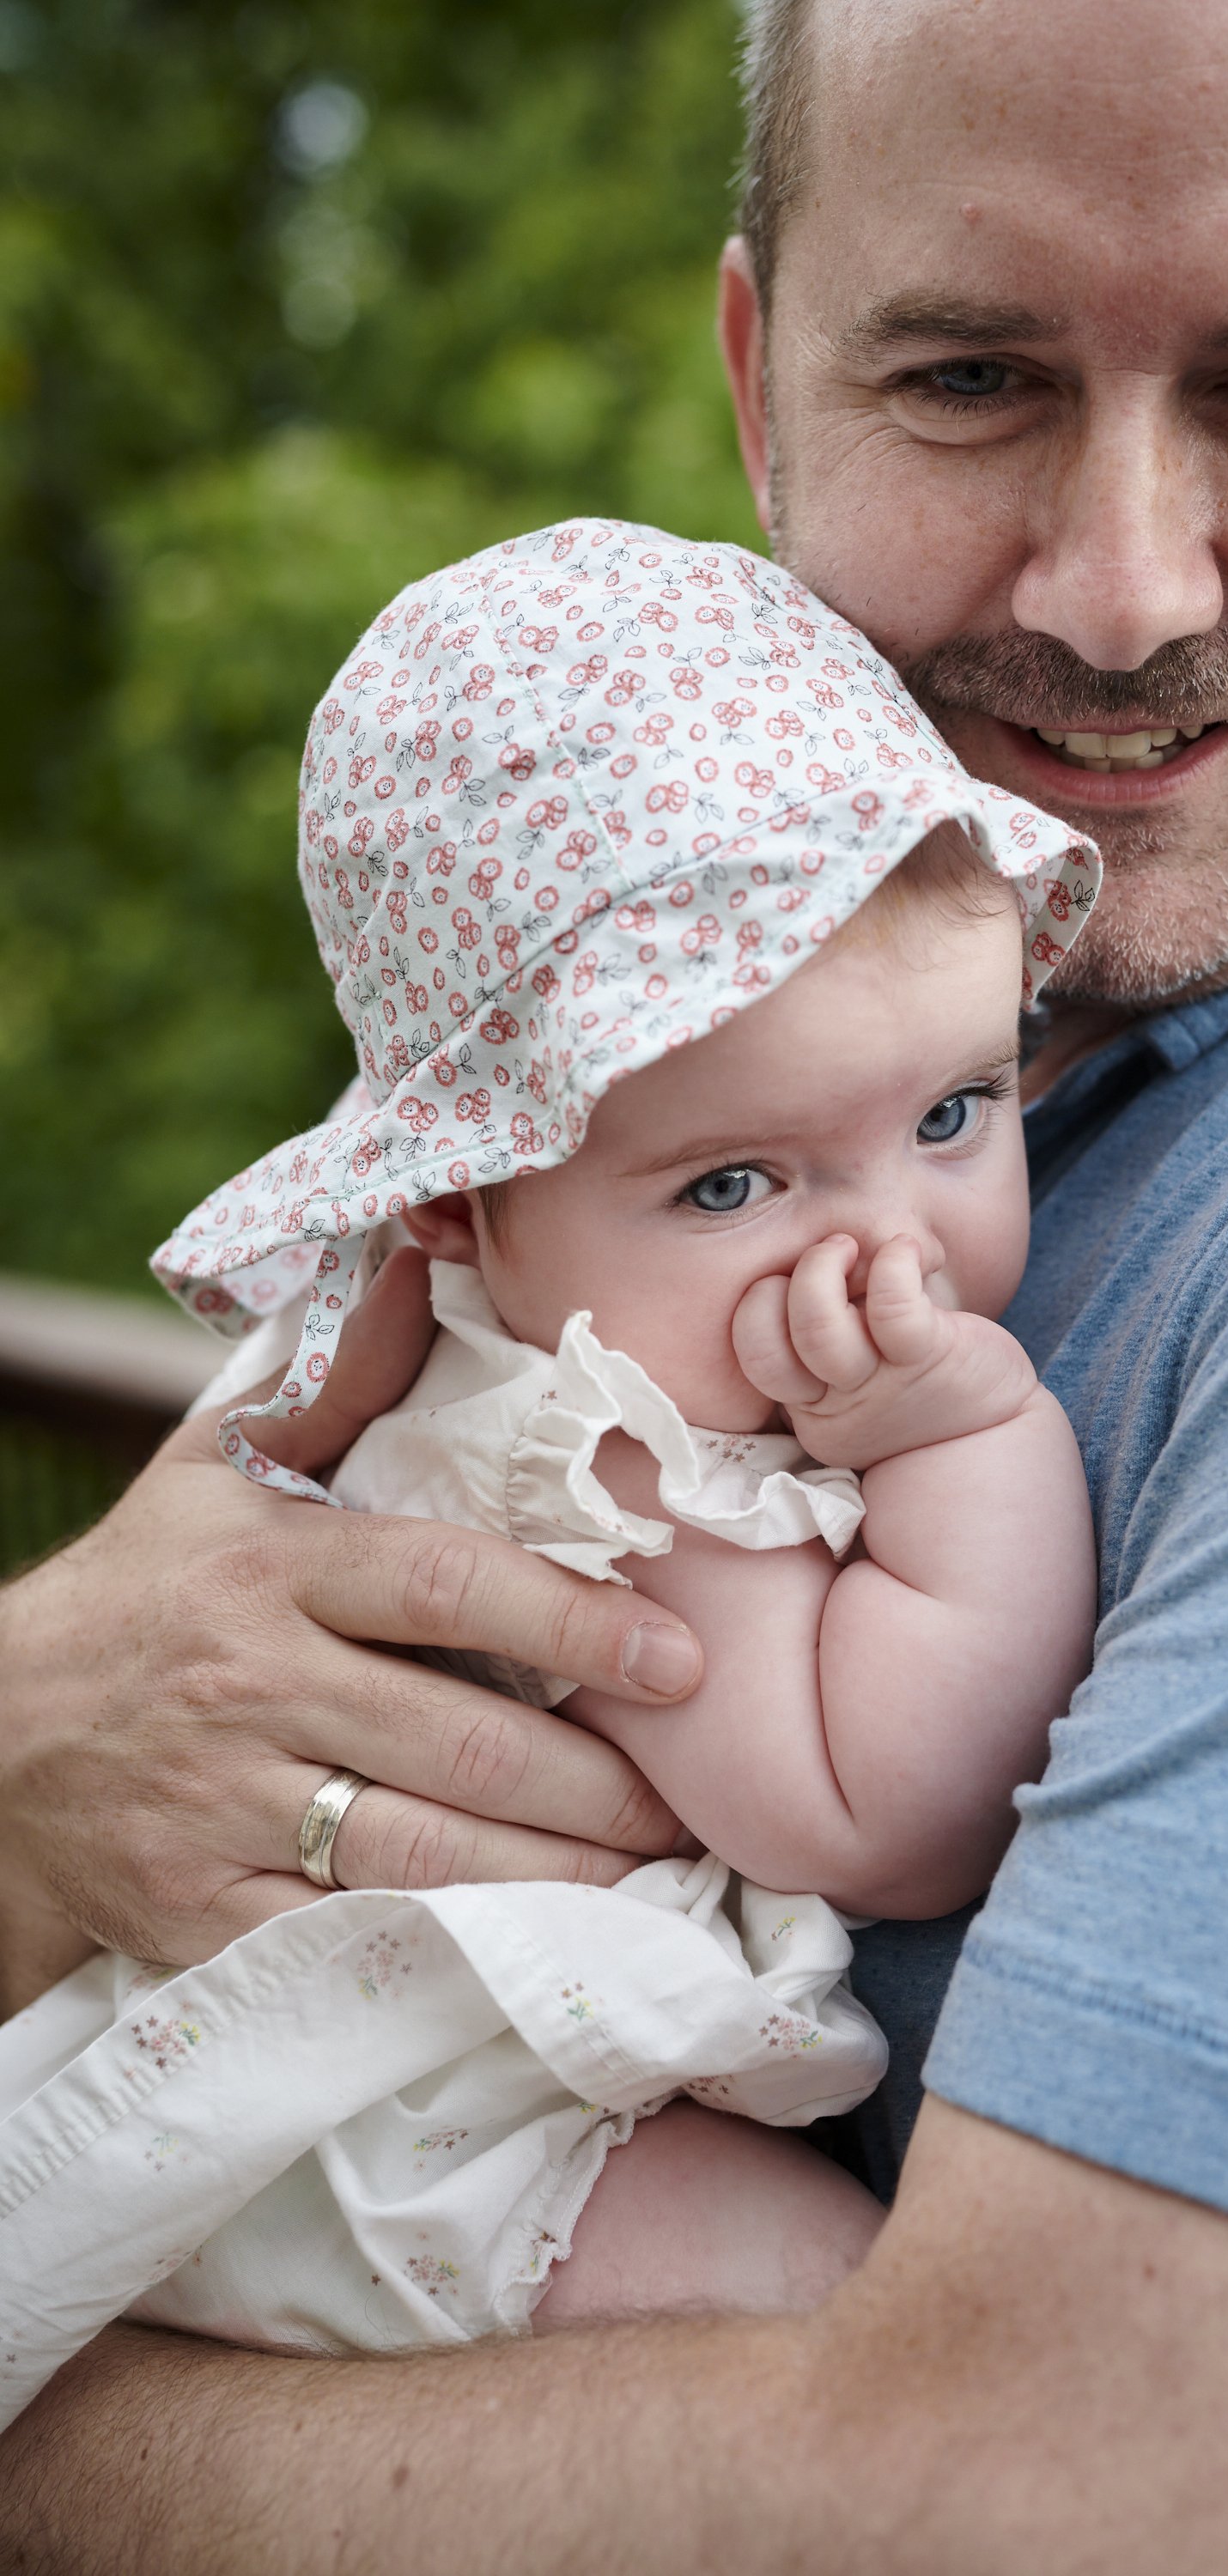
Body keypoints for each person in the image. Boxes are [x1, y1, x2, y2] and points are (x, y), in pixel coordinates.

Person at [4, 0, 1228, 2567]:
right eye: (973, 375)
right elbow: (137, 1702)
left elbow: (1038, 2527)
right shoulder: (731, 964)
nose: (1122, 597)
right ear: (762, 381)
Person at [0, 521, 1097, 2401]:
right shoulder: (604, 1454)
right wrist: (969, 1434)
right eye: (734, 1184)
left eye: (951, 1111)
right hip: (382, 2124)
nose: (885, 1251)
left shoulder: (516, 1319)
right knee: (843, 2339)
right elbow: (877, 1814)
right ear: (453, 1206)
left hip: (381, 2086)